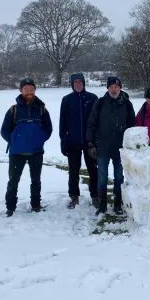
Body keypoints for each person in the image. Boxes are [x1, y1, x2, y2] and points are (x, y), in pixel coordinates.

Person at [0, 78, 53, 216]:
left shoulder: (41, 109)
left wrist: (39, 140)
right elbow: (4, 131)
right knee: (13, 181)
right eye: (26, 89)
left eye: (31, 89)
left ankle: (36, 205)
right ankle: (10, 207)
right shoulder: (13, 110)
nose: (29, 92)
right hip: (17, 153)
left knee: (36, 181)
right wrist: (14, 142)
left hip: (36, 152)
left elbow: (48, 129)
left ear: (35, 90)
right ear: (20, 91)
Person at [86, 76, 136, 215]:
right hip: (102, 146)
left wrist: (131, 144)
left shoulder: (127, 104)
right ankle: (102, 204)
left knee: (119, 176)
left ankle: (117, 203)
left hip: (120, 147)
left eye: (116, 87)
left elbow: (132, 125)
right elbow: (91, 124)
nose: (114, 89)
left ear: (120, 88)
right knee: (102, 175)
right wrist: (91, 144)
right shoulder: (100, 103)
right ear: (107, 88)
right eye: (111, 87)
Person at [59, 73, 99, 209]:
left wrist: (96, 140)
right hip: (73, 142)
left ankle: (95, 196)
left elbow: (98, 121)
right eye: (75, 82)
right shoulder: (67, 100)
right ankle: (74, 197)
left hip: (89, 142)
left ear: (84, 83)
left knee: (93, 170)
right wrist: (63, 141)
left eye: (80, 82)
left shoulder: (92, 98)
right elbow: (62, 122)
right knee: (73, 171)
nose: (78, 84)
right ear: (72, 84)